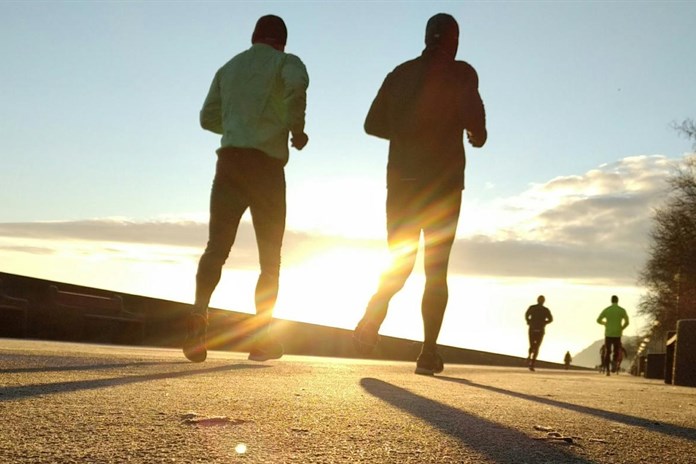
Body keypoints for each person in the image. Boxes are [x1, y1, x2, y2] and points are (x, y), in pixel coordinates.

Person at [353, 13, 487, 376]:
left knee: (401, 261)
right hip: (443, 186)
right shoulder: (462, 73)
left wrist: (406, 134)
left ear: (426, 37)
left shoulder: (399, 73)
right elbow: (477, 125)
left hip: (401, 184)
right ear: (454, 41)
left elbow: (371, 124)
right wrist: (475, 134)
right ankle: (428, 353)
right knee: (435, 270)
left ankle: (372, 316)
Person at [183, 15, 309, 363]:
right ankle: (261, 339)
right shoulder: (288, 63)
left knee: (216, 248)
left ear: (254, 37)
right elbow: (296, 90)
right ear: (282, 41)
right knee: (270, 261)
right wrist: (296, 130)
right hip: (266, 169)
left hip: (229, 163)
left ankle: (198, 315)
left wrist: (239, 123)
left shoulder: (229, 67)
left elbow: (207, 118)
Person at [596, 295, 630, 376]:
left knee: (607, 352)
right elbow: (627, 322)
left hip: (608, 334)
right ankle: (614, 364)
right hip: (617, 334)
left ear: (611, 301)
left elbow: (598, 320)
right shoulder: (622, 310)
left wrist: (605, 323)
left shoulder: (607, 310)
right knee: (616, 351)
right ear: (617, 301)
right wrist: (622, 328)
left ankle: (607, 370)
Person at [524, 295, 553, 371]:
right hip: (540, 329)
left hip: (532, 328)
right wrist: (544, 323)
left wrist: (529, 321)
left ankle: (529, 356)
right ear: (543, 301)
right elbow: (551, 319)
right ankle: (532, 363)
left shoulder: (532, 307)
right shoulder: (545, 310)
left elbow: (526, 315)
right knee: (537, 346)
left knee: (532, 344)